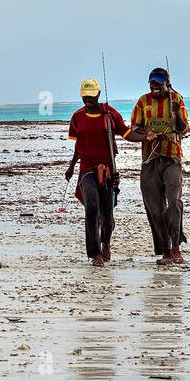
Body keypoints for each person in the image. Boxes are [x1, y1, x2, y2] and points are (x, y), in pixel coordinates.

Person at [127, 67, 190, 265]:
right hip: (150, 160)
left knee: (174, 203)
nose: (154, 87)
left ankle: (176, 248)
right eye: (151, 83)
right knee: (155, 209)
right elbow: (134, 129)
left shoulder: (176, 99)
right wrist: (148, 135)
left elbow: (182, 128)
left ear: (166, 84)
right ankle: (166, 251)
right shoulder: (142, 101)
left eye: (158, 83)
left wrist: (176, 112)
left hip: (172, 158)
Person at [65, 77, 130, 267]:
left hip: (108, 169)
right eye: (85, 96)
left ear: (98, 94)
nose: (88, 99)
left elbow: (126, 133)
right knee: (91, 207)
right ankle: (95, 253)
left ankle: (106, 242)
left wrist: (145, 136)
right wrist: (71, 166)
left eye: (91, 96)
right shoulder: (77, 117)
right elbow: (79, 143)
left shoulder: (109, 114)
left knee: (107, 212)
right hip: (86, 168)